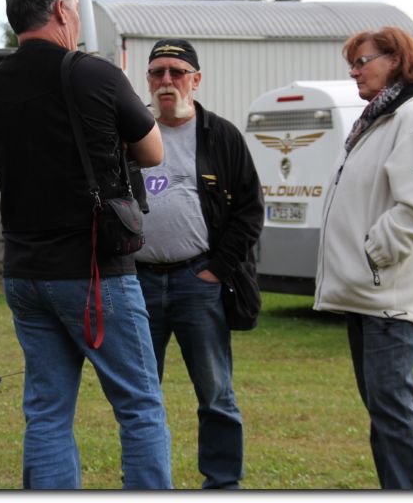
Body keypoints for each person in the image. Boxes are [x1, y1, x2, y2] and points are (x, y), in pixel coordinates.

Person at [0, 0, 172, 489]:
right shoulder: (93, 73)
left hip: (24, 271)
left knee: (46, 411)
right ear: (63, 9)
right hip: (92, 272)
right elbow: (152, 151)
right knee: (138, 407)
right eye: (78, 9)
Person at [314, 27, 413, 489]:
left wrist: (375, 256)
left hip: (390, 298)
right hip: (370, 296)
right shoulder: (378, 119)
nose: (353, 72)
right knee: (384, 411)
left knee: (392, 410)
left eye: (362, 61)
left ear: (395, 60)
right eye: (351, 64)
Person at [134, 39, 264, 489]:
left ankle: (224, 484)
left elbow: (249, 211)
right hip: (140, 284)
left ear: (196, 79)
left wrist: (217, 270)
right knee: (141, 396)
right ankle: (150, 484)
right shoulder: (130, 134)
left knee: (216, 394)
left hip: (199, 282)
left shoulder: (220, 135)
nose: (165, 81)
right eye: (157, 72)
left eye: (175, 71)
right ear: (147, 80)